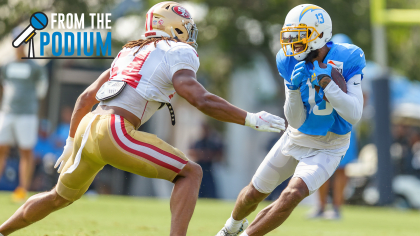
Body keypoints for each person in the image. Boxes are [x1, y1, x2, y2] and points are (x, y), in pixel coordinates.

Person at [0, 2, 285, 236]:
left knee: (57, 197)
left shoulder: (128, 51)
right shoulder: (178, 51)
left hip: (89, 127)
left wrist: (72, 140)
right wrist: (250, 118)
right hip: (116, 131)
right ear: (171, 25)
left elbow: (85, 98)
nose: (189, 34)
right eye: (186, 28)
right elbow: (200, 99)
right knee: (191, 173)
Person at [216, 4, 365, 236]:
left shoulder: (348, 58)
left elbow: (354, 114)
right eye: (290, 36)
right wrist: (293, 90)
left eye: (299, 36)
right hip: (296, 137)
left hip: (329, 145)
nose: (292, 43)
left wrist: (329, 85)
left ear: (320, 34)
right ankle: (230, 228)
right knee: (253, 194)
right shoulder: (288, 60)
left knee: (292, 194)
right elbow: (295, 121)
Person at [310, 33, 358, 220]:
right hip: (325, 121)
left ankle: (336, 208)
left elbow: (362, 98)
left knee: (341, 168)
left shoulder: (354, 68)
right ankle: (321, 207)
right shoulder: (321, 65)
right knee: (320, 165)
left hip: (344, 122)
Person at [0, 27, 48, 202]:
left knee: (26, 151)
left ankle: (22, 190)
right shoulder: (6, 65)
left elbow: (41, 91)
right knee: (1, 149)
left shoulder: (35, 67)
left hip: (27, 115)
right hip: (7, 113)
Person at [189, 123, 224, 198]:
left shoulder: (212, 142)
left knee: (212, 193)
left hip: (208, 170)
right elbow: (191, 153)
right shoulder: (197, 142)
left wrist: (206, 155)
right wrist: (203, 155)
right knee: (197, 193)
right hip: (199, 169)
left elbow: (219, 155)